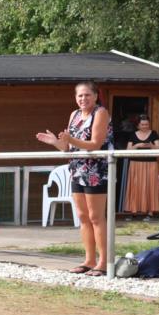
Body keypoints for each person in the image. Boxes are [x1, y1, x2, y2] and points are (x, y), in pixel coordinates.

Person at [36, 81, 113, 276]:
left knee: (96, 217)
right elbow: (68, 148)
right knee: (83, 216)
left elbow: (95, 144)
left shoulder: (101, 113)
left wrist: (70, 140)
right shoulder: (74, 115)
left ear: (95, 96)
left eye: (87, 95)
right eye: (80, 95)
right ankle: (89, 260)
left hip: (96, 169)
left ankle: (104, 262)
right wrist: (56, 142)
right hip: (77, 169)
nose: (83, 99)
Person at [124, 114, 159, 217]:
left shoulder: (154, 134)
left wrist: (151, 145)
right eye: (143, 124)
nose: (145, 126)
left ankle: (150, 212)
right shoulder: (133, 135)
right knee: (135, 186)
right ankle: (133, 211)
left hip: (151, 163)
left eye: (147, 124)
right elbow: (128, 150)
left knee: (150, 186)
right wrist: (137, 145)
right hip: (135, 164)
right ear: (138, 125)